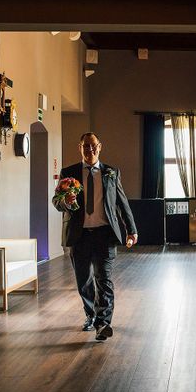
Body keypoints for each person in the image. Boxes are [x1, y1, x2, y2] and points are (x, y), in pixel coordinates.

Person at [53, 132, 138, 341]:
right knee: (84, 280)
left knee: (104, 280)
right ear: (79, 148)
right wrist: (67, 202)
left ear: (100, 147)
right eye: (85, 146)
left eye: (93, 146)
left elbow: (121, 202)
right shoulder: (69, 172)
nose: (90, 150)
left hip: (104, 234)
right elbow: (56, 201)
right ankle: (90, 314)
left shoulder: (111, 172)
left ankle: (103, 323)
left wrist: (131, 229)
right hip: (79, 235)